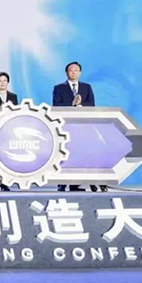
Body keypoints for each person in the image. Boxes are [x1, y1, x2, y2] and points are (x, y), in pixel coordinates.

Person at [52, 61, 104, 193]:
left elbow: (91, 104)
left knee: (83, 154)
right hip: (66, 126)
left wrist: (80, 106)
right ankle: (63, 183)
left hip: (83, 126)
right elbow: (56, 105)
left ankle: (79, 183)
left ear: (80, 73)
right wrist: (72, 104)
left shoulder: (86, 87)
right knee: (66, 154)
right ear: (66, 73)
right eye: (71, 70)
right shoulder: (59, 88)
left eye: (76, 70)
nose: (73, 73)